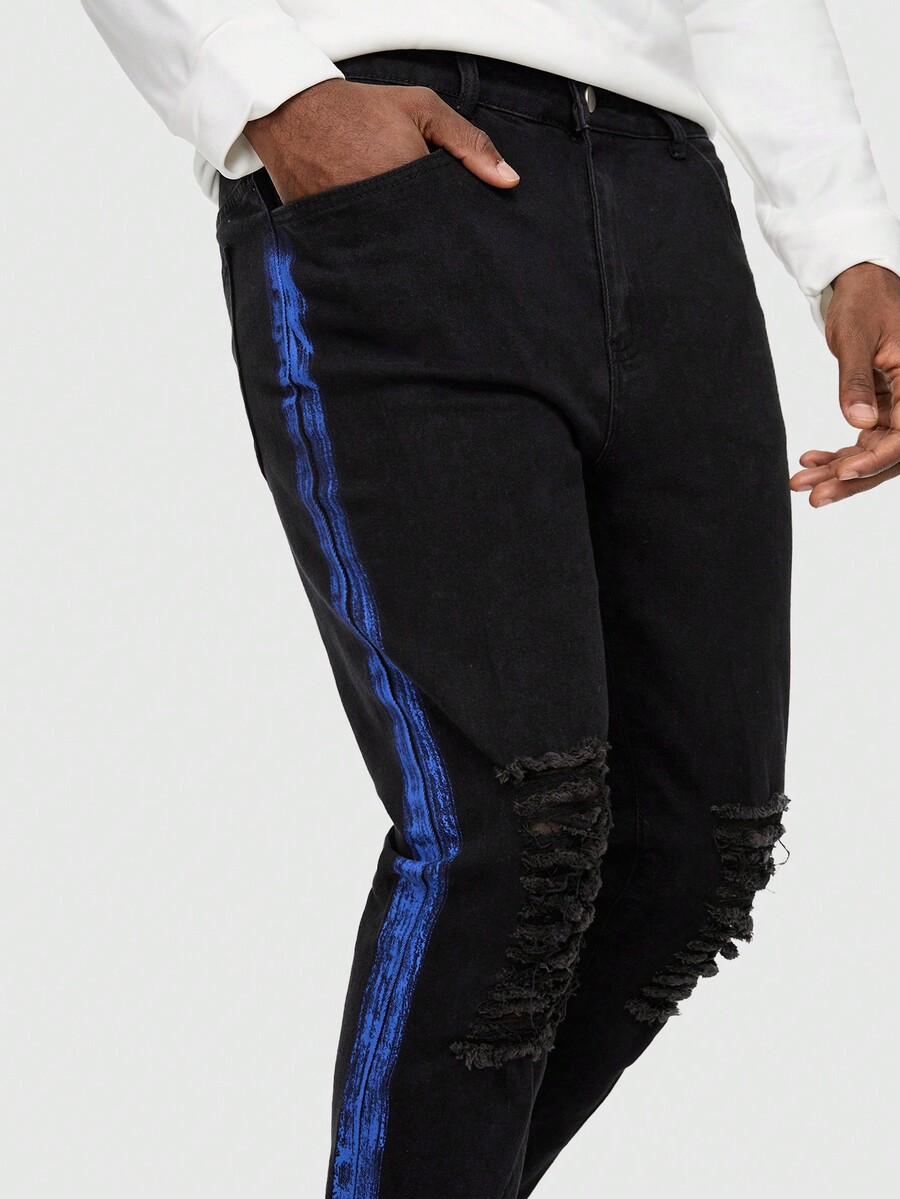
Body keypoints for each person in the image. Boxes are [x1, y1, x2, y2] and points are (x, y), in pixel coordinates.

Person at [80, 3, 900, 1196]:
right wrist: (274, 94)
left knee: (697, 841)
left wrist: (848, 239)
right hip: (399, 167)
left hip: (670, 192)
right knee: (512, 824)